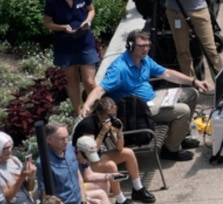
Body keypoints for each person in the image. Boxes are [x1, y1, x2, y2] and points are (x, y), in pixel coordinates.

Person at [82, 30, 206, 162]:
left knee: (191, 93)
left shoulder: (144, 59)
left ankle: (179, 137)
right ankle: (171, 149)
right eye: (141, 46)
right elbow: (100, 89)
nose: (145, 49)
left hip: (152, 99)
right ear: (130, 46)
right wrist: (86, 106)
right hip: (138, 110)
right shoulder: (119, 68)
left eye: (147, 45)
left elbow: (167, 73)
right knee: (183, 111)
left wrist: (194, 81)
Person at [69, 99, 156, 204]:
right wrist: (102, 132)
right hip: (84, 163)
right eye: (108, 115)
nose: (112, 117)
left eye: (114, 114)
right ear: (99, 114)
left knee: (128, 153)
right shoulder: (88, 125)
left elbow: (119, 147)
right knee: (110, 165)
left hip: (97, 157)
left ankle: (138, 188)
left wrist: (119, 132)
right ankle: (120, 200)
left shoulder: (107, 123)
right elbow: (90, 151)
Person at [42, 0, 99, 116]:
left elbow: (91, 10)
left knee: (89, 81)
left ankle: (95, 109)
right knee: (72, 79)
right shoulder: (52, 1)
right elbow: (47, 23)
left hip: (84, 40)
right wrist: (63, 27)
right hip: (65, 44)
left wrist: (88, 20)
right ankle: (78, 111)